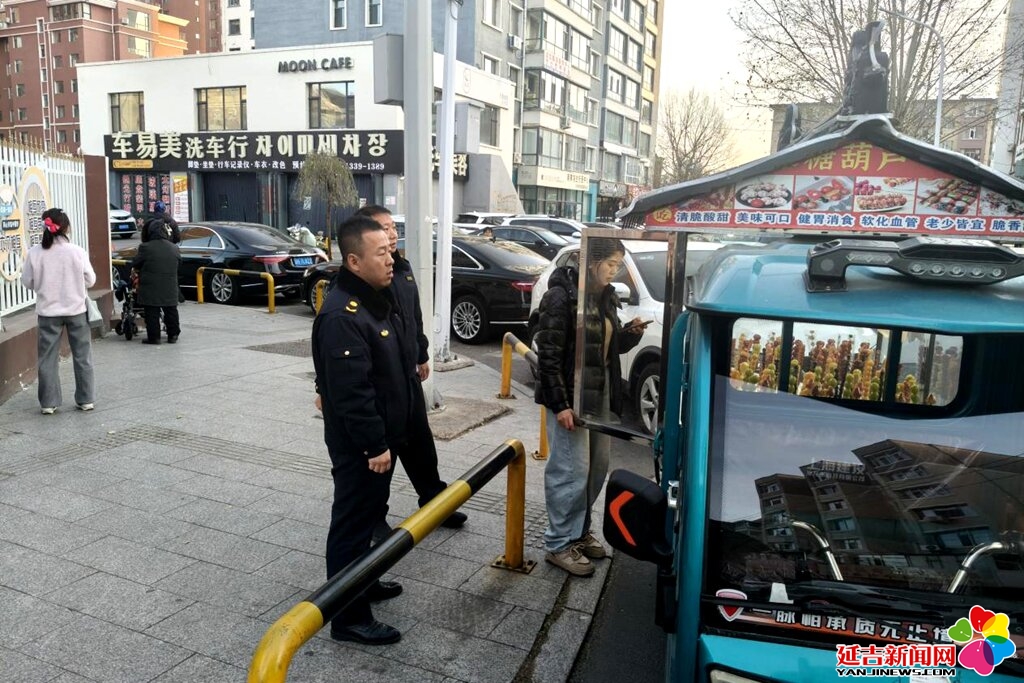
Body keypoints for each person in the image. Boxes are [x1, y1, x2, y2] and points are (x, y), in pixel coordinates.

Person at [312, 215, 418, 645]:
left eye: (391, 250)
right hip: (362, 446)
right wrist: (374, 445)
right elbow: (353, 392)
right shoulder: (344, 314)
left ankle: (364, 580)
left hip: (382, 436)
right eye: (381, 253)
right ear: (354, 261)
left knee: (369, 518)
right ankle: (348, 616)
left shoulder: (374, 299)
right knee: (352, 526)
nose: (391, 259)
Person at [533, 238, 646, 576]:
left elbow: (606, 346)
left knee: (597, 467)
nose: (614, 271)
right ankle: (558, 543)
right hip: (570, 398)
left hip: (600, 395)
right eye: (611, 264)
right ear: (592, 262)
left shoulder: (604, 296)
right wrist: (561, 405)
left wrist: (630, 334)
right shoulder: (560, 297)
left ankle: (578, 533)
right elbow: (549, 356)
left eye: (618, 265)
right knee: (571, 471)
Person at [354, 204, 467, 537]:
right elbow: (340, 342)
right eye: (383, 228)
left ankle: (434, 502)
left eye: (392, 227)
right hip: (382, 383)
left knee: (421, 446)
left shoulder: (400, 268)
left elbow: (413, 315)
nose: (391, 234)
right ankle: (373, 520)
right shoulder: (365, 279)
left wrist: (421, 352)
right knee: (383, 453)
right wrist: (322, 386)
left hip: (407, 376)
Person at [20, 207, 97, 414]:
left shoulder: (35, 253)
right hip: (76, 310)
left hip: (47, 312)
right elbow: (90, 280)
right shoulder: (77, 251)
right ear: (66, 227)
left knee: (47, 358)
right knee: (82, 355)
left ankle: (48, 403)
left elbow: (27, 281)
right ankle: (86, 399)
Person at [131, 218, 182, 345]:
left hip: (150, 286)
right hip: (170, 285)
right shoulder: (174, 248)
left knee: (152, 311)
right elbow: (179, 263)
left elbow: (136, 263)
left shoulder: (145, 247)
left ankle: (154, 338)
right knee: (171, 310)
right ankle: (173, 335)